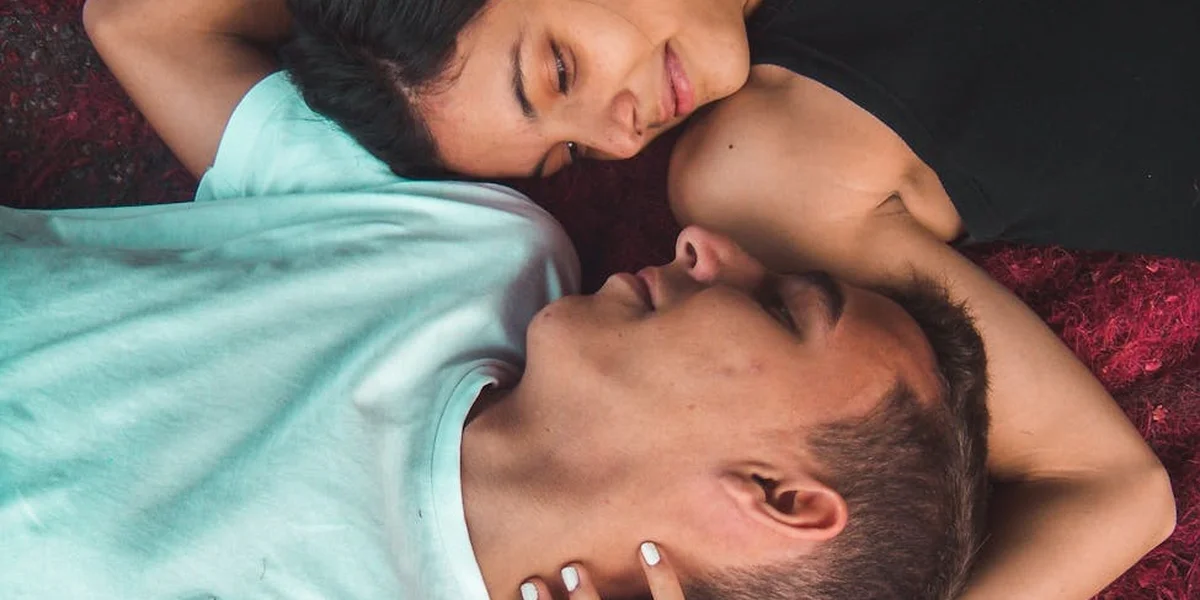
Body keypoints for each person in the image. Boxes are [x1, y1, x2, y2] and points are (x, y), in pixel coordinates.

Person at [78, 0, 1174, 598]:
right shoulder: (758, 170)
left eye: (555, 71)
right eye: (563, 157)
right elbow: (1112, 492)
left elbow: (147, 22)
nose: (618, 140)